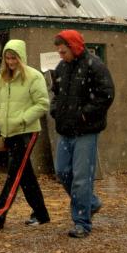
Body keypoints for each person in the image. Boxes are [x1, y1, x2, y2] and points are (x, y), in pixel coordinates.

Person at [49, 30, 114, 238]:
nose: (61, 54)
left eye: (63, 50)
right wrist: (55, 110)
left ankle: (82, 223)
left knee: (81, 178)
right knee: (62, 172)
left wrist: (85, 115)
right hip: (65, 130)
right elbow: (56, 94)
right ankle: (91, 203)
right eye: (59, 51)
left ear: (74, 47)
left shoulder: (95, 66)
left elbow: (107, 94)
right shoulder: (61, 68)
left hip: (86, 131)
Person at [0, 39, 51, 230]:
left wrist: (22, 119)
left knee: (15, 173)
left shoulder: (34, 77)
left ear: (21, 58)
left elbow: (42, 104)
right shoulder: (1, 78)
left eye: (14, 58)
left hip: (26, 131)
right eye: (7, 58)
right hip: (7, 131)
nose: (11, 62)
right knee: (25, 174)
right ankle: (41, 214)